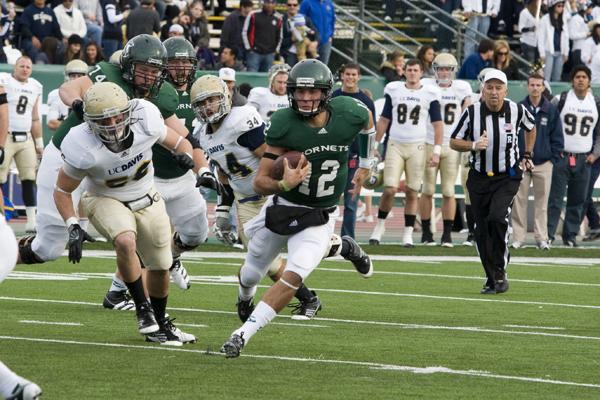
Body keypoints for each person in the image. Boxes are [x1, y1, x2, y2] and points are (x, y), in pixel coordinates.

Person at [220, 59, 374, 358]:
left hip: (320, 215)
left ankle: (242, 335)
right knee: (252, 273)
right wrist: (284, 184)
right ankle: (245, 297)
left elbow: (367, 123)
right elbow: (260, 182)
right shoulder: (283, 122)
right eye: (298, 92)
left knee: (294, 274)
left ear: (326, 92)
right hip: (284, 207)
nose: (304, 98)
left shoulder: (349, 111)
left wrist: (367, 163)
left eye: (312, 92)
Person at [16, 36, 189, 300]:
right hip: (69, 158)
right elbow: (70, 89)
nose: (149, 77)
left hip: (108, 168)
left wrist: (188, 153)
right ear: (128, 65)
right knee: (48, 249)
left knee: (138, 232)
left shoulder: (161, 94)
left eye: (155, 71)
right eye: (144, 69)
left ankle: (126, 296)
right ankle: (7, 254)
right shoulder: (107, 75)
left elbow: (179, 133)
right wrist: (77, 103)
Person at [54, 82, 197, 345]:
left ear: (128, 111)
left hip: (147, 195)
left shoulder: (146, 118)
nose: (111, 124)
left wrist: (185, 155)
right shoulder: (81, 143)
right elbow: (62, 190)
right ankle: (143, 310)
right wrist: (72, 223)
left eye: (116, 116)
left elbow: (180, 142)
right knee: (125, 240)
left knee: (161, 265)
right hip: (105, 198)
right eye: (102, 120)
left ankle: (161, 324)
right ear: (89, 122)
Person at [191, 73, 339, 320]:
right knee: (260, 260)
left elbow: (270, 157)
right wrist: (222, 211)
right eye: (202, 103)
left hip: (272, 194)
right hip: (246, 201)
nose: (208, 107)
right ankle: (300, 289)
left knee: (281, 254)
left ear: (225, 98)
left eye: (213, 100)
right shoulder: (202, 134)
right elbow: (225, 175)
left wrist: (281, 184)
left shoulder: (242, 119)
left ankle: (308, 295)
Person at [450, 69, 536, 294]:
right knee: (480, 230)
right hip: (478, 177)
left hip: (506, 176)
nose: (494, 92)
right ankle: (491, 278)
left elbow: (531, 126)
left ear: (506, 91)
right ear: (483, 90)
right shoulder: (472, 113)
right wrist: (473, 145)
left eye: (499, 88)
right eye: (490, 87)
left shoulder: (517, 109)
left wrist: (527, 154)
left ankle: (500, 269)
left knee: (497, 218)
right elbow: (453, 140)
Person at [369, 59, 444, 247]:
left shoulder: (430, 93)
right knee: (390, 189)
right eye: (409, 70)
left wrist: (436, 150)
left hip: (417, 146)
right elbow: (384, 119)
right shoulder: (394, 90)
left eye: (415, 70)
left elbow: (438, 125)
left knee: (412, 191)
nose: (412, 73)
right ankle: (380, 226)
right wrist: (375, 146)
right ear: (404, 72)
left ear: (421, 73)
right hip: (395, 143)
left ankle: (408, 233)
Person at [419, 53, 472, 247]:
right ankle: (426, 233)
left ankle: (447, 235)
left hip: (452, 144)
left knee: (449, 191)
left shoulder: (462, 88)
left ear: (453, 70)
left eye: (447, 69)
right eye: (440, 68)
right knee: (428, 189)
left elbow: (468, 109)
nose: (443, 72)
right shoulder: (426, 85)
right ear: (435, 69)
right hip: (428, 141)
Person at [547, 65, 600, 247]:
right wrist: (553, 150)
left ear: (589, 80)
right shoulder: (560, 99)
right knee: (555, 199)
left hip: (584, 158)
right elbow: (549, 124)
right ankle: (549, 235)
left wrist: (595, 153)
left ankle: (570, 236)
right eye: (577, 76)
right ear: (572, 80)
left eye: (584, 77)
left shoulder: (596, 102)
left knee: (578, 200)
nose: (580, 80)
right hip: (562, 156)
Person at [511, 73, 563, 250]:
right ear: (527, 87)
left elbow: (557, 136)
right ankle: (519, 238)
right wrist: (517, 158)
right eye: (532, 85)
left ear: (543, 87)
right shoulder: (518, 108)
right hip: (522, 162)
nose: (535, 88)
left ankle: (542, 238)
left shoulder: (551, 109)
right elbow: (513, 135)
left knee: (542, 202)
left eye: (538, 85)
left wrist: (552, 158)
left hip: (543, 162)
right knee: (519, 201)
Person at [331, 63, 376, 239]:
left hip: (356, 157)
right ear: (342, 76)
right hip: (334, 154)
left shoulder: (366, 101)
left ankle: (348, 239)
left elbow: (372, 130)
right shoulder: (333, 97)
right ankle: (323, 237)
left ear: (359, 77)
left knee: (351, 201)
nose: (350, 77)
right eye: (347, 74)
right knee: (329, 200)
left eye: (353, 74)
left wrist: (370, 155)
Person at [0, 56, 43, 234]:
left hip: (25, 138)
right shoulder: (4, 80)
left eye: (28, 66)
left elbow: (35, 118)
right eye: (21, 66)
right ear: (14, 67)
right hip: (6, 136)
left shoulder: (35, 86)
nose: (25, 69)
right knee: (0, 178)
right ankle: (2, 219)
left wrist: (39, 144)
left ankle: (31, 221)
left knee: (28, 178)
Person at [242, 0, 283, 72]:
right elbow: (245, 32)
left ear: (275, 4)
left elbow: (280, 36)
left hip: (270, 54)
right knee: (252, 77)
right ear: (263, 2)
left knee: (266, 79)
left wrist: (276, 51)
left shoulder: (279, 17)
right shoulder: (253, 14)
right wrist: (248, 48)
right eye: (267, 2)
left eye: (272, 2)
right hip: (254, 53)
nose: (270, 5)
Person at [47, 59, 88, 131]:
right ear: (66, 76)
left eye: (79, 76)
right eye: (73, 75)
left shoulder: (91, 95)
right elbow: (52, 124)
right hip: (64, 138)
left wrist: (64, 124)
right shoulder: (57, 94)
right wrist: (78, 126)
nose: (76, 79)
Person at [538, 0, 569, 82]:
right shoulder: (545, 19)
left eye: (562, 6)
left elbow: (566, 37)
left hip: (560, 52)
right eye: (559, 6)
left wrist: (566, 52)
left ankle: (555, 95)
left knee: (557, 77)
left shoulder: (563, 19)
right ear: (553, 6)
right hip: (548, 52)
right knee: (546, 77)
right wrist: (542, 54)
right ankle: (545, 94)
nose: (561, 8)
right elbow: (540, 38)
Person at [281, 0, 319, 66]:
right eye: (289, 5)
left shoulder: (305, 19)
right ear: (286, 6)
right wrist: (291, 39)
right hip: (289, 54)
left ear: (298, 6)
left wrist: (315, 42)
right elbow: (279, 41)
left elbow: (316, 32)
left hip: (305, 52)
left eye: (294, 5)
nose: (292, 7)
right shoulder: (282, 20)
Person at [299, 0, 335, 65]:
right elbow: (301, 22)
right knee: (309, 67)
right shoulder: (306, 2)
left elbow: (332, 20)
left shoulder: (329, 3)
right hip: (311, 42)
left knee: (324, 68)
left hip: (326, 42)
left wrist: (331, 36)